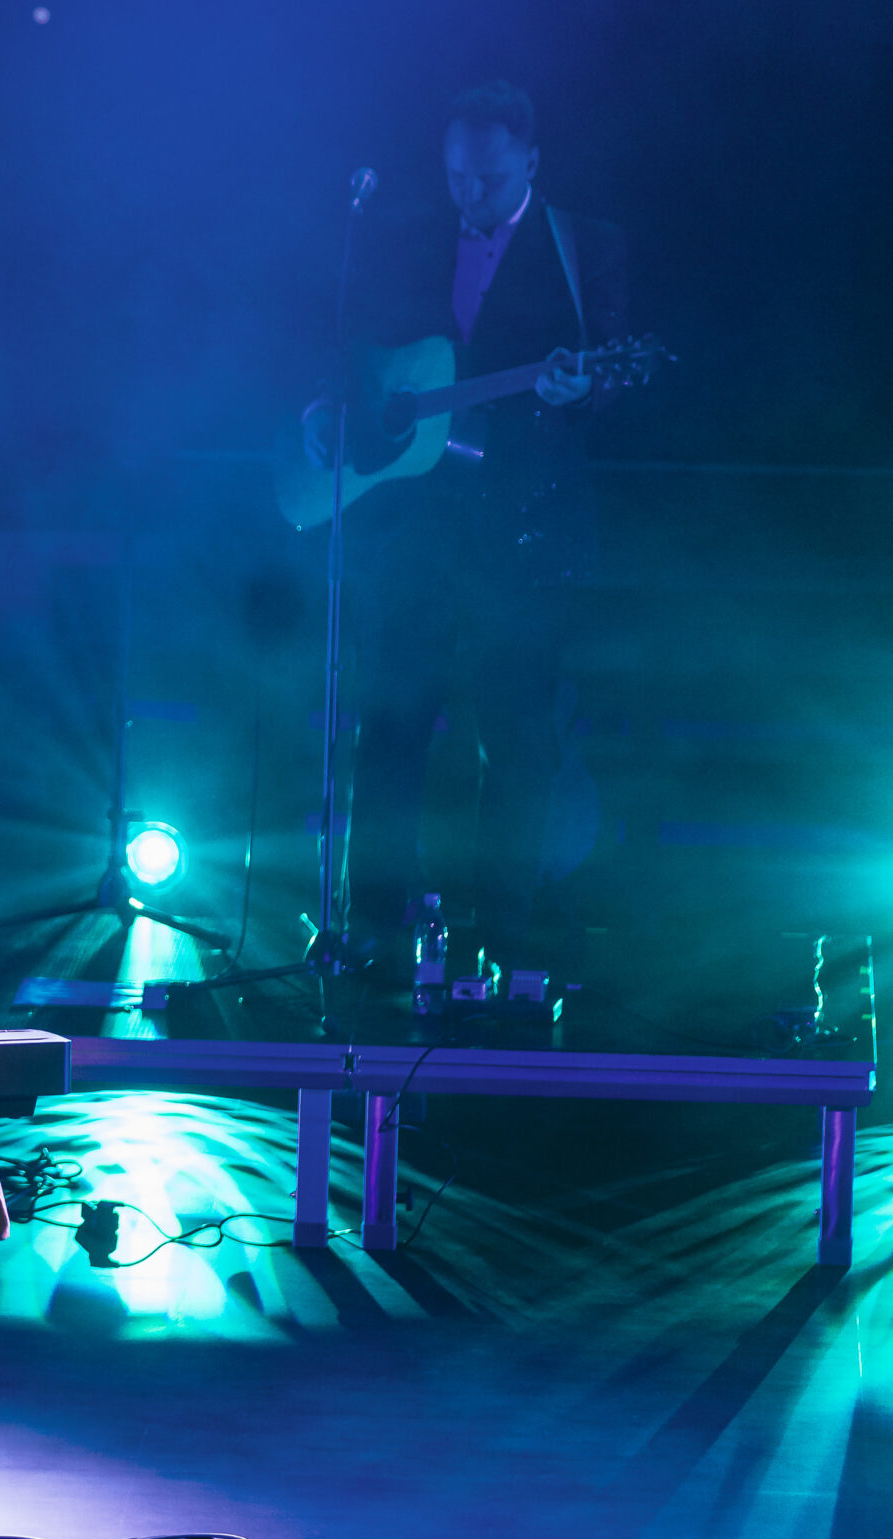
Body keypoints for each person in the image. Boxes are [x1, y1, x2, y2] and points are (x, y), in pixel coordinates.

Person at [307, 80, 629, 977]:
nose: (470, 194)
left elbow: (611, 368)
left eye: (488, 177)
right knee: (389, 726)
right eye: (456, 175)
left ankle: (503, 944)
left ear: (531, 161)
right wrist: (331, 406)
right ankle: (370, 930)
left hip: (522, 533)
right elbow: (354, 345)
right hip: (409, 528)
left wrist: (583, 389)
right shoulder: (409, 234)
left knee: (518, 742)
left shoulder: (584, 246)